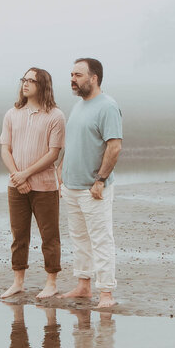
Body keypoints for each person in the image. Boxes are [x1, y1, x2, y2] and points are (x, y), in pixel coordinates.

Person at [59, 57, 123, 309]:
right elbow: (72, 143)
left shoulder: (107, 106)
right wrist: (60, 172)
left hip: (93, 188)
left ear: (93, 78)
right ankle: (83, 285)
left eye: (78, 75)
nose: (72, 80)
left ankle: (106, 292)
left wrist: (100, 180)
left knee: (100, 239)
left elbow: (114, 146)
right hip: (71, 186)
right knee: (79, 238)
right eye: (72, 75)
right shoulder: (78, 106)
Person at [0, 67, 66, 300]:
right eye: (23, 80)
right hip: (16, 186)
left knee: (50, 236)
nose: (25, 84)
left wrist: (26, 174)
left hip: (45, 187)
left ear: (43, 85)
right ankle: (18, 282)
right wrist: (18, 177)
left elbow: (53, 154)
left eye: (31, 81)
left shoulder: (55, 115)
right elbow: (5, 149)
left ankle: (51, 282)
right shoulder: (12, 113)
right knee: (19, 235)